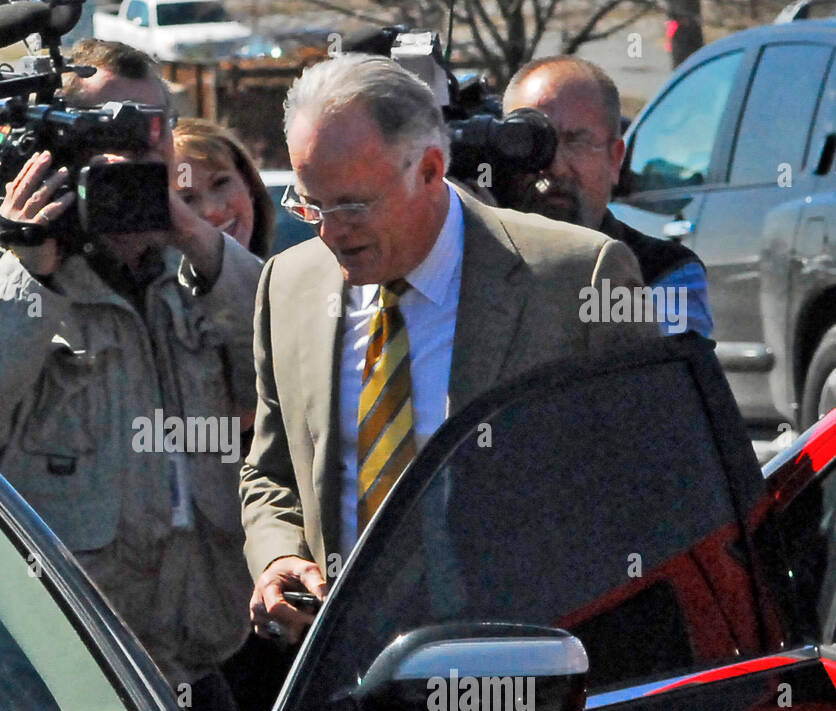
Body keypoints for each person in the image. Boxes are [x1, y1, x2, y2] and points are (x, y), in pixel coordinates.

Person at [0, 39, 262, 711]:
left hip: (199, 661)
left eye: (153, 125)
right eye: (108, 129)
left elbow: (284, 371)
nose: (136, 148)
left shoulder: (198, 271)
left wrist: (197, 238)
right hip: (62, 683)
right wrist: (27, 275)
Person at [241, 53, 657, 642]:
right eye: (310, 204)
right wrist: (278, 556)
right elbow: (272, 472)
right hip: (343, 683)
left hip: (530, 679)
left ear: (431, 170)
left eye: (354, 204)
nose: (331, 230)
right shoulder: (288, 285)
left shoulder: (578, 279)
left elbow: (651, 480)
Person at [501, 55, 713, 338]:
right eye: (534, 143)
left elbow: (663, 374)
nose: (556, 166)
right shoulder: (473, 259)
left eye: (576, 141)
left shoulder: (662, 272)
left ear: (615, 160)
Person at [172, 118, 274, 258]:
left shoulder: (290, 276)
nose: (213, 210)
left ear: (248, 183)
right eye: (187, 199)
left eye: (220, 183)